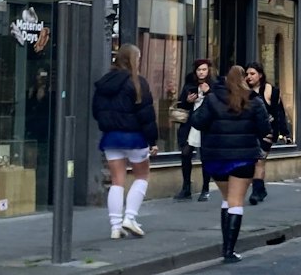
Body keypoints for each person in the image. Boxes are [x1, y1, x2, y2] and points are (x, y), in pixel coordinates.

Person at [189, 65, 271, 263]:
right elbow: (264, 129)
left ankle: (227, 247)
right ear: (244, 79)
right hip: (243, 156)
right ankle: (229, 250)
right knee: (236, 201)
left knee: (227, 199)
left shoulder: (212, 99)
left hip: (216, 156)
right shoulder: (254, 101)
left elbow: (197, 122)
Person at [91, 44, 158, 239]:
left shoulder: (104, 83)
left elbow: (96, 112)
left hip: (111, 137)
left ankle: (115, 225)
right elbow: (146, 115)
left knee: (116, 181)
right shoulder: (137, 83)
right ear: (134, 60)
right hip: (135, 137)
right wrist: (152, 140)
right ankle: (130, 217)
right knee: (142, 176)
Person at [244, 62, 291, 205]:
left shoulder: (270, 90)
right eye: (247, 74)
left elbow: (279, 112)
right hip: (250, 131)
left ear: (260, 75)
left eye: (252, 74)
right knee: (252, 163)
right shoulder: (245, 91)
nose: (249, 77)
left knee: (259, 161)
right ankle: (261, 189)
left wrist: (285, 132)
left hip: (267, 132)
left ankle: (256, 193)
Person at [172, 59, 214, 201]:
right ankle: (186, 188)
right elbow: (181, 103)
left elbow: (218, 104)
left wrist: (208, 93)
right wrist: (187, 101)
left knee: (205, 156)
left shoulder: (213, 85)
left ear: (208, 71)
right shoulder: (189, 84)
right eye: (199, 70)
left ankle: (205, 189)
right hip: (190, 124)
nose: (201, 72)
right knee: (185, 153)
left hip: (206, 125)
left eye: (204, 69)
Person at [24, 66, 53, 208]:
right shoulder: (31, 91)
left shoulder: (49, 92)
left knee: (41, 161)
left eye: (42, 75)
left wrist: (43, 97)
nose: (40, 78)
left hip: (43, 130)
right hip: (33, 128)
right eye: (38, 75)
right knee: (31, 160)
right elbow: (28, 109)